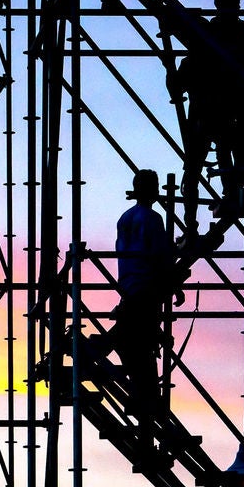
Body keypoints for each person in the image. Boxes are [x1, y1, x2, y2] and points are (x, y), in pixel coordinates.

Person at [168, 0, 244, 233]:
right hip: (225, 111)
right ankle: (233, 195)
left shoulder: (207, 35)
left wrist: (176, 87)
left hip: (205, 113)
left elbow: (178, 81)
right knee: (228, 156)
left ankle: (191, 223)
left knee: (194, 168)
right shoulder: (238, 31)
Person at [91, 168, 178, 427]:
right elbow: (161, 255)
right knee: (144, 344)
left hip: (128, 285)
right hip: (146, 285)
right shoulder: (153, 218)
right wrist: (173, 281)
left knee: (136, 340)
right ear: (152, 190)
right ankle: (146, 398)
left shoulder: (125, 218)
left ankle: (141, 395)